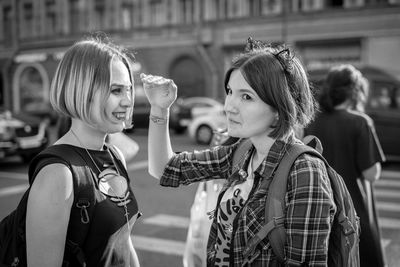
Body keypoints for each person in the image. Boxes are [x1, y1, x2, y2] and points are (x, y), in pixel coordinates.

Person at [142, 38, 336, 266]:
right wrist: (159, 108)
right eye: (230, 92)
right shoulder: (242, 152)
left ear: (279, 108)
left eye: (246, 97)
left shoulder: (304, 171)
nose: (228, 106)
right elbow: (166, 169)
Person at [25, 36, 141, 266]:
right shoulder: (57, 173)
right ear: (83, 91)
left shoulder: (115, 156)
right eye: (116, 90)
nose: (128, 101)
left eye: (129, 90)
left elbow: (123, 244)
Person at [304, 64, 386, 267]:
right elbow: (371, 174)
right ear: (356, 91)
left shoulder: (313, 121)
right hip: (354, 211)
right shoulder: (360, 122)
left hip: (322, 208)